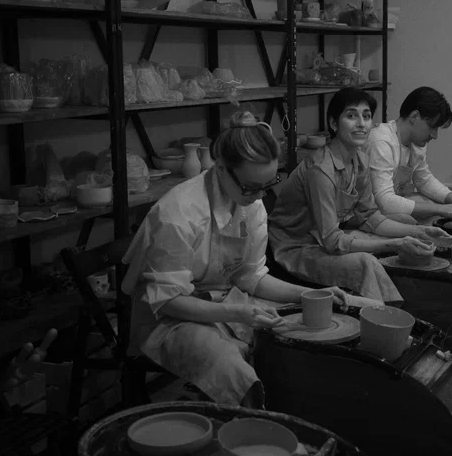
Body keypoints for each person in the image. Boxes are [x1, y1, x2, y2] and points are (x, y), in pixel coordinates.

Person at [121, 112, 349, 408]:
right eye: (250, 187)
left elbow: (250, 276)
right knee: (229, 365)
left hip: (223, 298)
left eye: (267, 185)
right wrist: (236, 313)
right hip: (165, 318)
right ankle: (248, 423)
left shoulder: (251, 202)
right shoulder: (178, 214)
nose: (259, 196)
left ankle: (290, 409)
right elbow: (167, 301)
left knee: (288, 336)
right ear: (221, 168)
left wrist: (309, 294)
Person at [268, 87, 449, 303]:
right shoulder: (320, 170)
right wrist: (395, 243)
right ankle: (383, 314)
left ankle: (397, 306)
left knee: (404, 228)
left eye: (366, 116)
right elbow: (333, 241)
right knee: (366, 262)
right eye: (351, 116)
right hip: (295, 246)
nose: (361, 123)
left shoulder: (360, 161)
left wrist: (420, 232)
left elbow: (370, 217)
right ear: (334, 123)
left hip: (321, 237)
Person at [364, 86, 452, 225]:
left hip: (386, 208)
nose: (435, 135)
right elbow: (385, 202)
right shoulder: (382, 142)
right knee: (426, 215)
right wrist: (441, 209)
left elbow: (424, 180)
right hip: (368, 213)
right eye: (432, 127)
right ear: (414, 117)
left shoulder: (416, 145)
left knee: (428, 204)